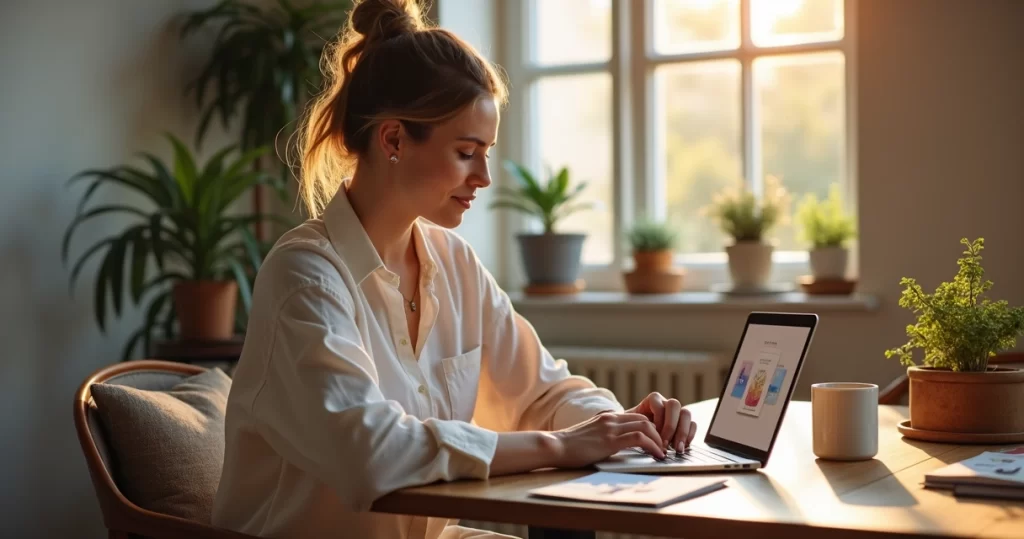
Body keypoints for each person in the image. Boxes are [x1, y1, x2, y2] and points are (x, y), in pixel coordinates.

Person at [211, 1, 697, 537]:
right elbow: (368, 451)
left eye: (486, 152)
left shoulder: (453, 261)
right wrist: (561, 445)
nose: (484, 176)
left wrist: (623, 423)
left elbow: (540, 392)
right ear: (393, 139)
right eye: (467, 152)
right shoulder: (304, 276)